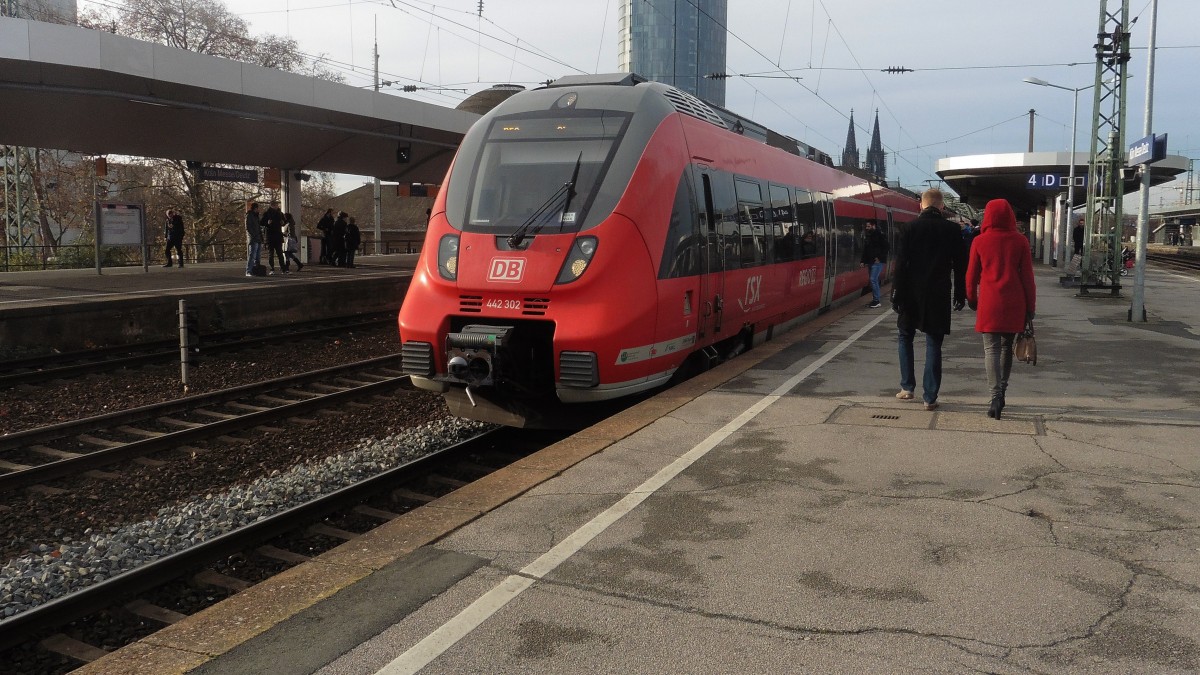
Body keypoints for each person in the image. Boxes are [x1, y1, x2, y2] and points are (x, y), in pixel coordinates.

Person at [890, 188, 967, 411]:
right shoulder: (952, 230)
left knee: (905, 336)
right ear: (942, 207)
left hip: (909, 293)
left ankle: (907, 388)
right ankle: (930, 397)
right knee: (934, 342)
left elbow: (900, 264)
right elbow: (961, 266)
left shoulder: (909, 228)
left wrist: (896, 293)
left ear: (921, 206)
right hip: (938, 293)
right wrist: (960, 294)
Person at [966, 199, 1037, 420]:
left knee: (991, 350)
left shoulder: (979, 241)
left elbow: (971, 276)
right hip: (1015, 302)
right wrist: (1030, 307)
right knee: (1007, 348)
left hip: (989, 302)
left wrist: (971, 298)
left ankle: (994, 396)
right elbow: (1028, 278)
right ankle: (1002, 394)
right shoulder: (1020, 242)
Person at [860, 220, 889, 308]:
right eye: (866, 226)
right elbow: (866, 250)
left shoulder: (880, 235)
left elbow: (887, 247)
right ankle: (875, 300)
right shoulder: (868, 236)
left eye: (868, 226)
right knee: (872, 280)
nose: (867, 228)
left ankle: (876, 300)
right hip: (870, 261)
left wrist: (879, 258)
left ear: (873, 226)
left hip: (877, 262)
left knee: (873, 279)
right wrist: (863, 261)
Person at [262, 200, 286, 275]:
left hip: (276, 235)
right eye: (275, 205)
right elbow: (262, 222)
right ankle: (274, 269)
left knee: (278, 253)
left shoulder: (280, 213)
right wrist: (267, 223)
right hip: (272, 235)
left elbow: (284, 221)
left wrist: (283, 223)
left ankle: (281, 268)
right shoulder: (267, 214)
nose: (277, 207)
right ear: (272, 205)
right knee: (272, 253)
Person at [245, 202, 262, 277]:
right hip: (254, 238)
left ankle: (255, 270)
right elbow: (248, 228)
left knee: (257, 256)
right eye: (258, 208)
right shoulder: (249, 216)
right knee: (252, 255)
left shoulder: (256, 216)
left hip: (257, 238)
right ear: (255, 208)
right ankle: (249, 270)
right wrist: (254, 236)